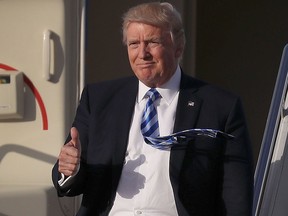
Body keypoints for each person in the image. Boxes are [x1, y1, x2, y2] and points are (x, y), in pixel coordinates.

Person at [52, 2, 253, 216]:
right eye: (133, 44)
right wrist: (68, 169)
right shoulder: (99, 99)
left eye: (152, 42)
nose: (142, 53)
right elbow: (67, 179)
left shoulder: (220, 106)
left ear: (179, 46)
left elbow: (236, 195)